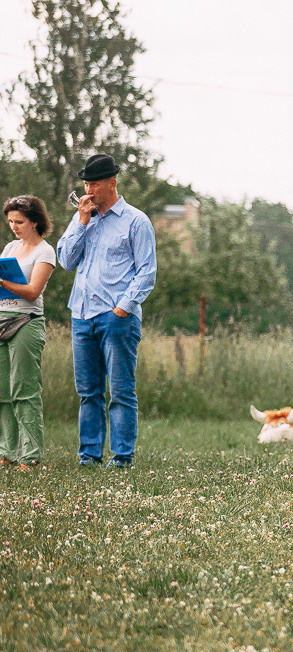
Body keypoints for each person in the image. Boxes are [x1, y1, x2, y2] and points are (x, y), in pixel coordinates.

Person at [57, 153, 157, 468]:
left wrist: (122, 310)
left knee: (121, 390)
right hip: (81, 315)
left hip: (116, 318)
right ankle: (89, 456)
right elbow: (65, 261)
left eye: (95, 184)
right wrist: (81, 222)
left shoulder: (136, 221)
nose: (88, 190)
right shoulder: (81, 217)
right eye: (86, 183)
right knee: (88, 392)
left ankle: (122, 457)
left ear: (111, 183)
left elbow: (146, 272)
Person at [0, 195, 56, 469]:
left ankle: (31, 455)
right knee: (2, 391)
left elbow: (33, 292)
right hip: (1, 318)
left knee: (24, 390)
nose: (14, 226)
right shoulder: (10, 247)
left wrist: (3, 282)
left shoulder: (44, 252)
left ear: (35, 221)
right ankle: (7, 452)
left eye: (19, 221)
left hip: (26, 321)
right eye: (10, 221)